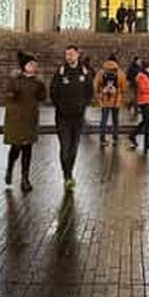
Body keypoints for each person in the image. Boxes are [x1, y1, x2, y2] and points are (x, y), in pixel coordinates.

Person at [50, 45, 93, 190]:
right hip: (63, 117)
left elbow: (90, 92)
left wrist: (83, 105)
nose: (69, 57)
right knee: (65, 146)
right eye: (67, 54)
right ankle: (67, 176)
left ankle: (69, 173)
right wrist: (60, 107)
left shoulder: (84, 71)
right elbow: (53, 92)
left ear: (77, 55)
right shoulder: (60, 72)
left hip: (78, 117)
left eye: (72, 54)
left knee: (74, 147)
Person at [4, 51, 47, 191]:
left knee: (28, 150)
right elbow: (7, 95)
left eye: (35, 64)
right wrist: (12, 94)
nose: (34, 66)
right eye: (31, 64)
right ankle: (10, 169)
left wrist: (42, 87)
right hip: (16, 120)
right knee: (15, 149)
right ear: (24, 66)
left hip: (30, 119)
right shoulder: (14, 79)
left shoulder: (37, 81)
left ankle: (25, 179)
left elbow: (42, 98)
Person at [94, 54, 127, 146]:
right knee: (115, 120)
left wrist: (101, 93)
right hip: (116, 100)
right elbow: (124, 88)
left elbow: (96, 86)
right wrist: (118, 92)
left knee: (103, 120)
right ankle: (115, 138)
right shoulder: (120, 73)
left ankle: (102, 139)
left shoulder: (101, 72)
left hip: (105, 100)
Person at [129, 61, 149, 151]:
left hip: (147, 100)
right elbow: (143, 89)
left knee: (147, 121)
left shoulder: (145, 76)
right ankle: (135, 135)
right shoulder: (141, 76)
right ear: (145, 68)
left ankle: (144, 139)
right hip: (144, 101)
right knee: (147, 121)